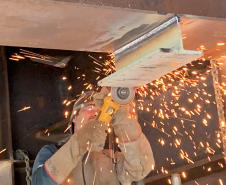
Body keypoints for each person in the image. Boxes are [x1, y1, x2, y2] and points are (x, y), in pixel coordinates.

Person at [31, 87, 155, 185]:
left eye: (99, 110)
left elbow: (141, 169)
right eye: (90, 107)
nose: (96, 112)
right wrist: (81, 141)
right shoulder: (52, 152)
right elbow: (41, 182)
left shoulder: (110, 157)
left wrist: (122, 117)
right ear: (74, 117)